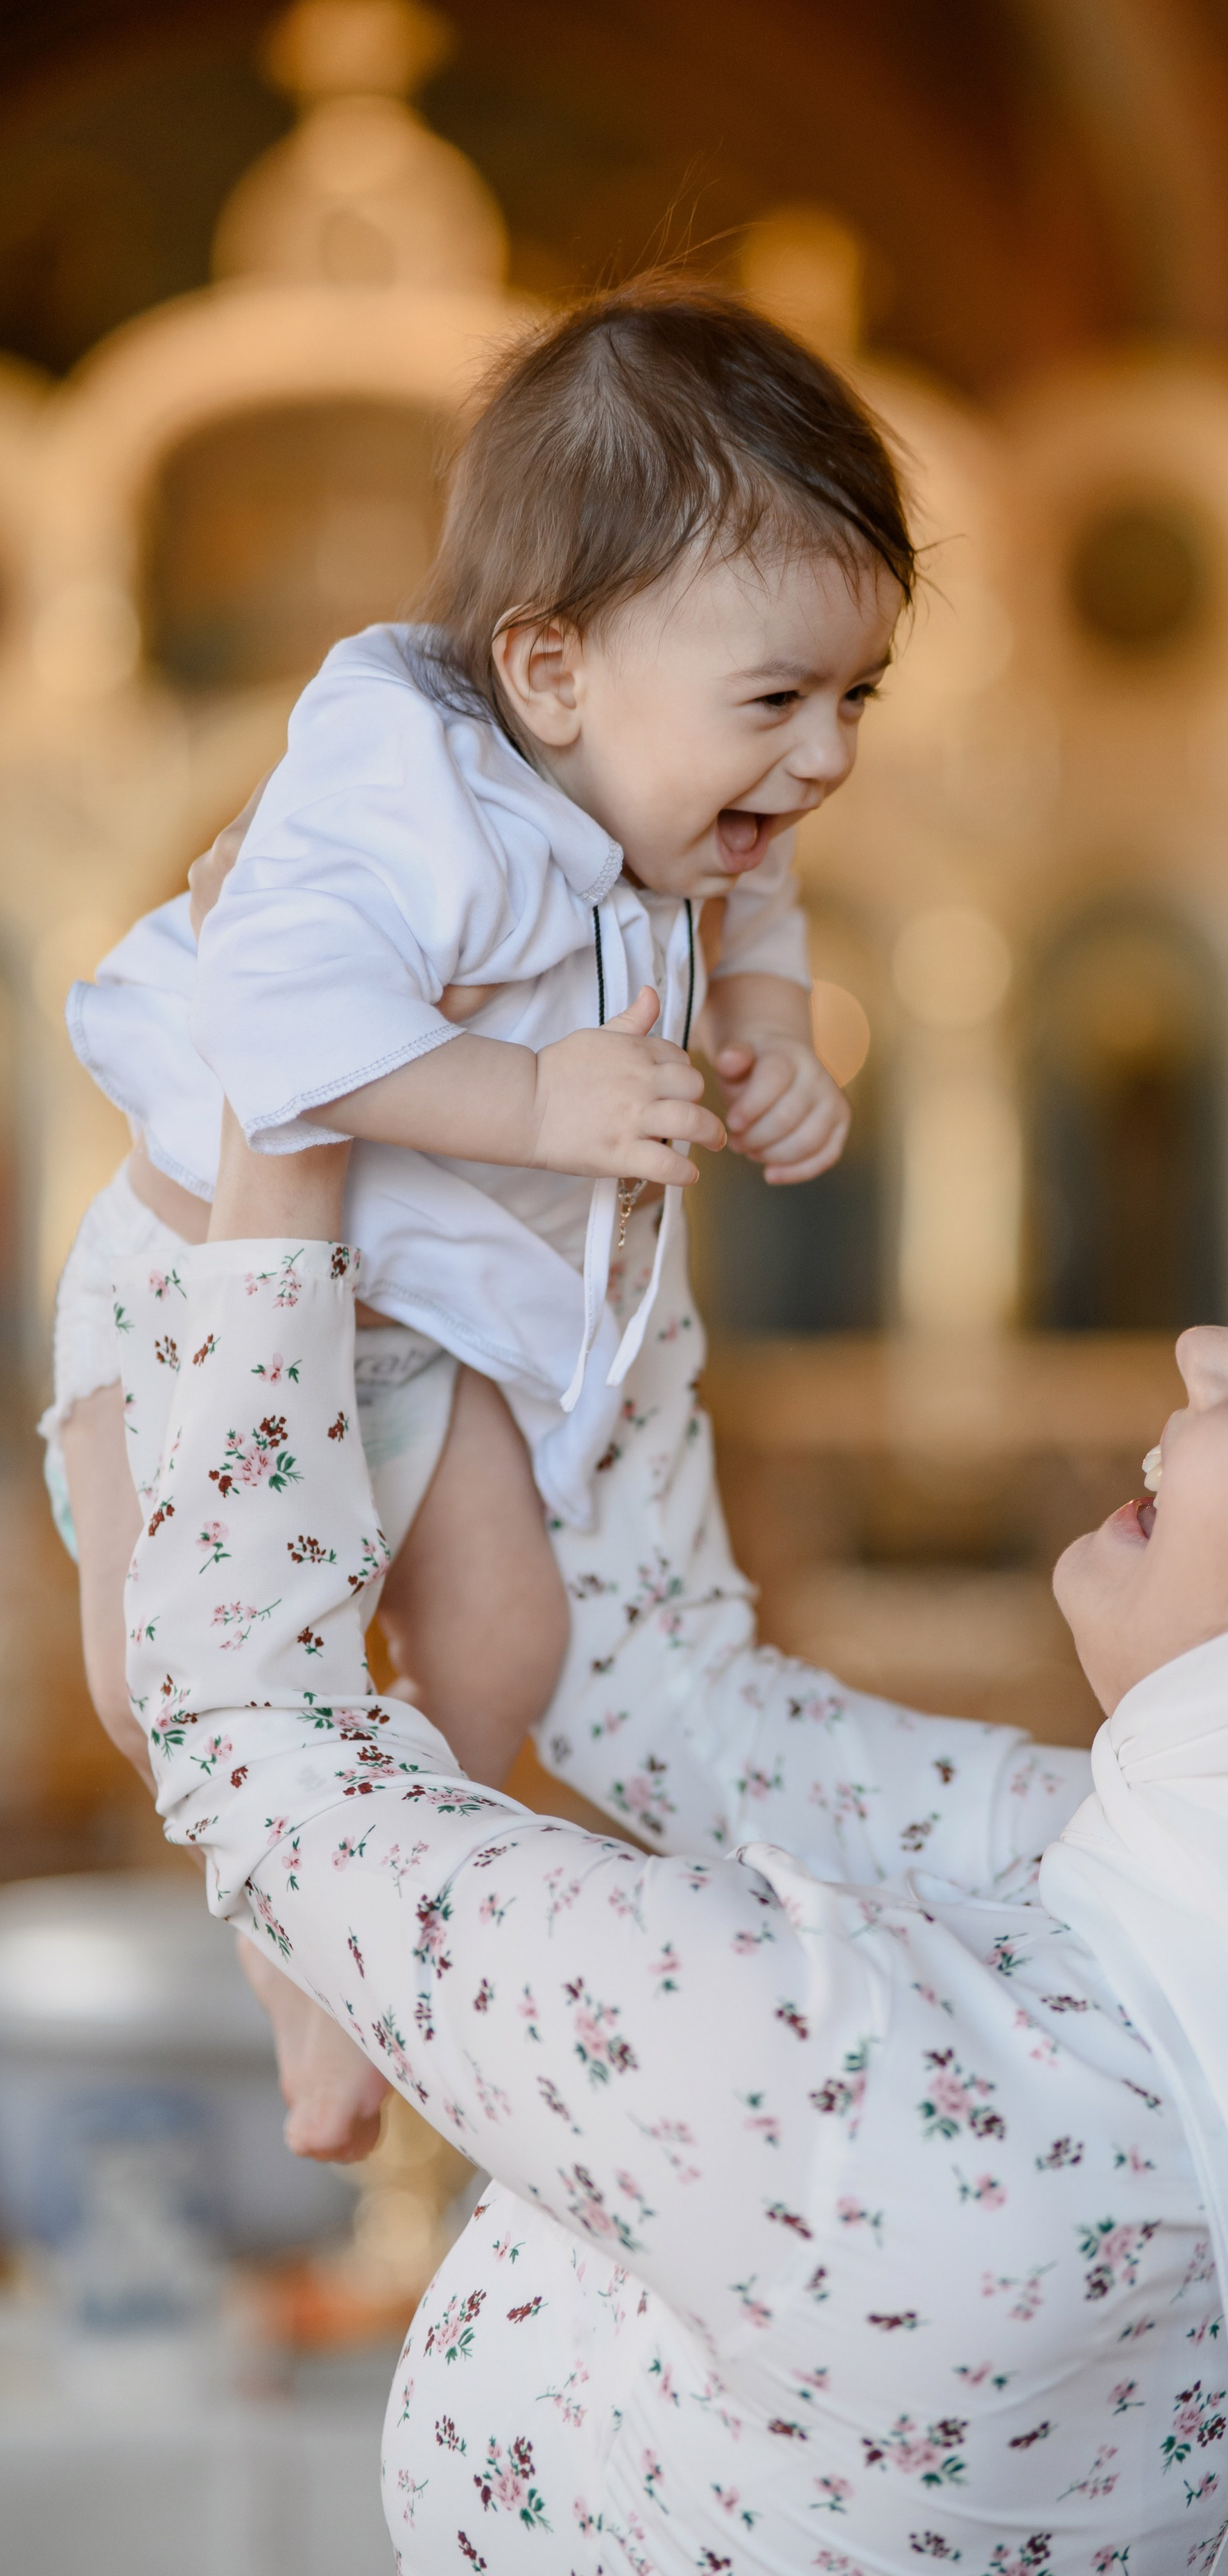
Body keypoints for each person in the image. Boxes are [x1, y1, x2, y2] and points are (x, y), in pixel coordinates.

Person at [121, 1113, 1228, 2576]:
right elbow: (660, 1692)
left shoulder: (870, 2091)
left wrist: (284, 1115)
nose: (1203, 1346)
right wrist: (615, 1101)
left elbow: (242, 1725)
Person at [51, 276, 912, 2155]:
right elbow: (275, 1023)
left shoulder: (701, 814)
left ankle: (388, 1929)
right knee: (161, 1668)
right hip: (200, 1293)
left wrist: (770, 1044)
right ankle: (300, 1960)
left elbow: (754, 926)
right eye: (777, 700)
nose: (828, 754)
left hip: (427, 1323)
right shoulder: (401, 782)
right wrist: (529, 1097)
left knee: (506, 1638)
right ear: (548, 672)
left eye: (858, 695)